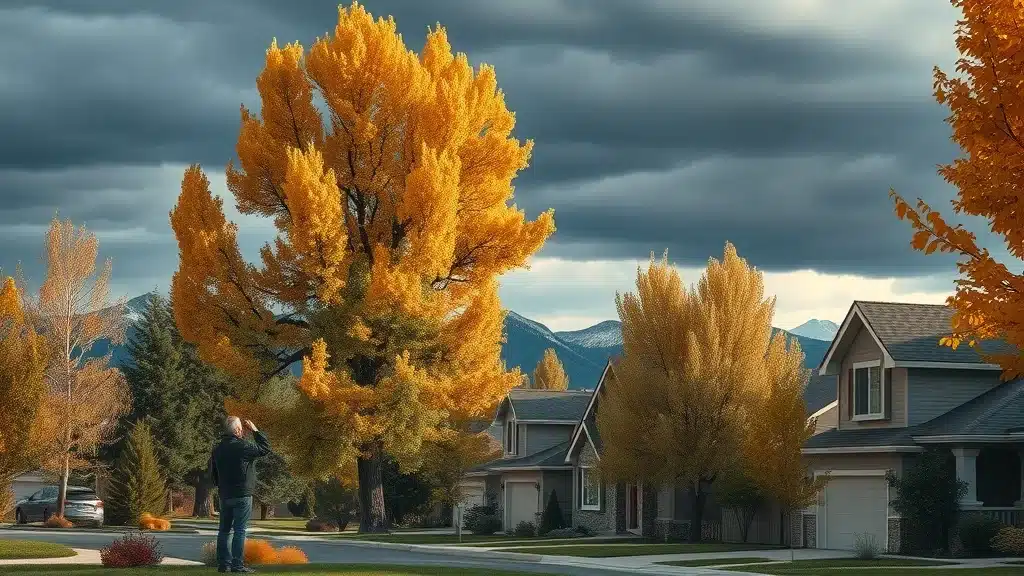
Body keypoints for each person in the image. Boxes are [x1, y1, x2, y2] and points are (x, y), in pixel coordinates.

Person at [210, 416, 272, 573]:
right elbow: (265, 449)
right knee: (239, 530)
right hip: (242, 495)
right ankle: (237, 565)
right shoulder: (243, 447)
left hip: (225, 495)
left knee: (223, 530)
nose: (243, 430)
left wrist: (221, 486)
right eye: (242, 428)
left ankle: (223, 564)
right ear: (237, 430)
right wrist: (255, 430)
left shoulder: (217, 449)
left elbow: (214, 473)